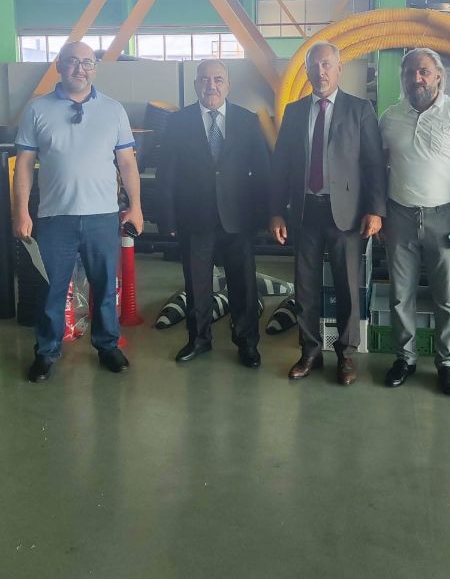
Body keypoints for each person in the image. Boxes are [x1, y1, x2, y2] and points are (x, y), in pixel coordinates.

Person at [13, 41, 143, 382]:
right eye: (72, 61)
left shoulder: (113, 110)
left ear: (95, 68)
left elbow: (127, 162)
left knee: (105, 286)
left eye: (87, 62)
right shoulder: (37, 110)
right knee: (51, 290)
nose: (79, 69)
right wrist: (21, 212)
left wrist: (136, 207)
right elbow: (24, 165)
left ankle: (107, 345)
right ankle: (46, 351)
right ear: (59, 65)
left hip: (103, 216)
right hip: (55, 217)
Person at [270, 41, 386, 386]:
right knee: (305, 286)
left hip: (347, 215)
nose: (320, 72)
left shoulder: (360, 109)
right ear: (306, 71)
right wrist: (276, 212)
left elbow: (373, 164)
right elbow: (280, 166)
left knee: (347, 285)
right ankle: (310, 352)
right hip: (305, 211)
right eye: (314, 65)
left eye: (326, 65)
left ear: (338, 69)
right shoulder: (294, 112)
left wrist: (375, 210)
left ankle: (345, 354)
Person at [379, 47, 450, 397]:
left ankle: (447, 364)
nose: (417, 78)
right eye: (410, 72)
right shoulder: (390, 117)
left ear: (438, 75)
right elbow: (378, 169)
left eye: (424, 71)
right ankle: (405, 359)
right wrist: (379, 214)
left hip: (446, 219)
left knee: (447, 297)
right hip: (399, 217)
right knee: (400, 295)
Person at [157, 59, 270, 369]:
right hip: (194, 217)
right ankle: (198, 339)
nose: (212, 85)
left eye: (218, 79)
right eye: (205, 79)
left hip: (239, 218)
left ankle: (247, 343)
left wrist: (263, 216)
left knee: (243, 284)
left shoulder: (247, 121)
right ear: (196, 85)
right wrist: (166, 217)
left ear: (228, 85)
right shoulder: (178, 122)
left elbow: (263, 172)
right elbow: (166, 173)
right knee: (197, 284)